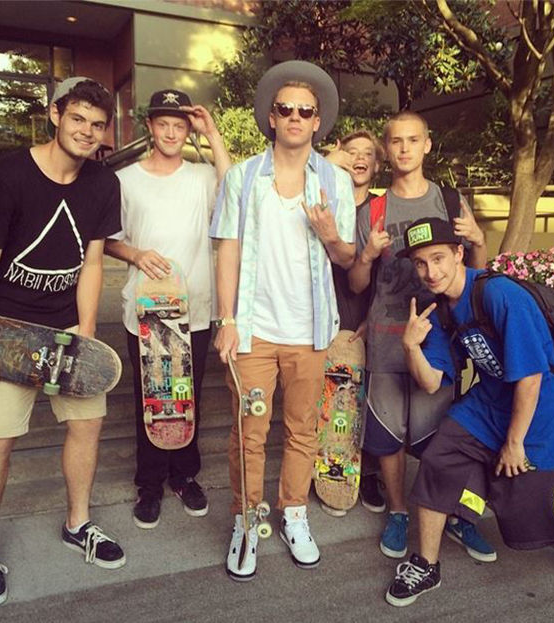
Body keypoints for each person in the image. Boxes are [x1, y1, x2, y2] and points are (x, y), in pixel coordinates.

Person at [384, 216, 554, 606]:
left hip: (538, 415)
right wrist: (411, 347)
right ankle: (426, 565)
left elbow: (531, 378)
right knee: (438, 459)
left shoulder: (500, 294)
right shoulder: (440, 309)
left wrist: (514, 443)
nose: (430, 272)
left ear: (458, 253)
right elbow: (432, 382)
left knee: (529, 521)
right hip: (489, 405)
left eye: (438, 258)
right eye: (420, 263)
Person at [210, 60, 356, 581]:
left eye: (305, 111)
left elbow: (347, 257)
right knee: (248, 433)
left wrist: (329, 234)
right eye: (285, 109)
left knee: (302, 430)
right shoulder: (243, 178)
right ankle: (246, 521)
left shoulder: (336, 181)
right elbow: (227, 249)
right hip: (253, 330)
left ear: (318, 121)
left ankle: (294, 513)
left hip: (310, 332)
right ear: (271, 117)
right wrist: (226, 319)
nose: (295, 117)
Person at [0, 76, 125, 608]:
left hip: (67, 331)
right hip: (9, 331)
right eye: (77, 119)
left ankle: (78, 524)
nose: (87, 131)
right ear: (55, 115)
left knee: (87, 426)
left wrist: (86, 330)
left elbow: (92, 261)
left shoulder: (102, 183)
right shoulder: (8, 177)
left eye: (97, 124)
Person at [348, 111, 495, 563]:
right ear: (386, 149)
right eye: (396, 141)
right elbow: (357, 285)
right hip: (386, 337)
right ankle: (398, 512)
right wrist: (367, 256)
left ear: (427, 145)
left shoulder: (449, 201)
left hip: (441, 338)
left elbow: (476, 270)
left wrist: (480, 239)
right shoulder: (372, 211)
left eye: (413, 140)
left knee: (438, 435)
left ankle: (449, 515)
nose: (405, 149)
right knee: (388, 434)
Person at [105, 90, 231, 528]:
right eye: (164, 124)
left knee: (186, 395)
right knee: (152, 398)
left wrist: (212, 133)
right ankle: (149, 484)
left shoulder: (202, 176)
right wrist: (137, 255)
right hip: (146, 309)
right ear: (150, 127)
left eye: (180, 125)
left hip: (193, 309)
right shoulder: (125, 179)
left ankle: (184, 476)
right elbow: (108, 239)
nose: (172, 132)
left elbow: (235, 191)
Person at [324, 130, 386, 515]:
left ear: (377, 165)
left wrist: (372, 316)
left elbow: (390, 271)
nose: (358, 158)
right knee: (331, 394)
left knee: (370, 393)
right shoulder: (326, 200)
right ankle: (329, 466)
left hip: (368, 309)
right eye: (351, 151)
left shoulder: (382, 208)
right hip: (326, 306)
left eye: (367, 153)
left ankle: (370, 473)